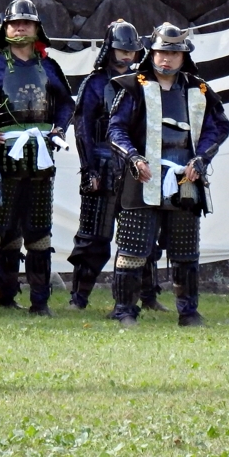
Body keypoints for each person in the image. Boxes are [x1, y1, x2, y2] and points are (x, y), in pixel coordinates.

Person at [107, 23, 229, 327]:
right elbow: (115, 128)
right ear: (152, 53)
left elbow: (219, 126)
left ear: (183, 56)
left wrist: (201, 158)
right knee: (133, 249)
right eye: (162, 52)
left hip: (183, 176)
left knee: (186, 252)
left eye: (173, 54)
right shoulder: (134, 85)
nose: (167, 60)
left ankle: (188, 311)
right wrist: (134, 157)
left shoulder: (197, 87)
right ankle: (125, 310)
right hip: (144, 176)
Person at [0, 0, 74, 316]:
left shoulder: (49, 67)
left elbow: (66, 104)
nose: (20, 28)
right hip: (2, 158)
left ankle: (40, 302)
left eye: (26, 23)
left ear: (36, 29)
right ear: (5, 28)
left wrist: (59, 128)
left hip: (41, 159)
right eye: (14, 23)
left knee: (39, 233)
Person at [68, 20, 166, 312]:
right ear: (110, 49)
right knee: (94, 237)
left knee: (142, 235)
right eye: (121, 50)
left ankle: (148, 296)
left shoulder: (144, 83)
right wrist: (90, 170)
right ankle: (79, 297)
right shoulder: (95, 83)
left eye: (131, 50)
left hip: (135, 167)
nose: (126, 55)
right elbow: (83, 128)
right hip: (101, 164)